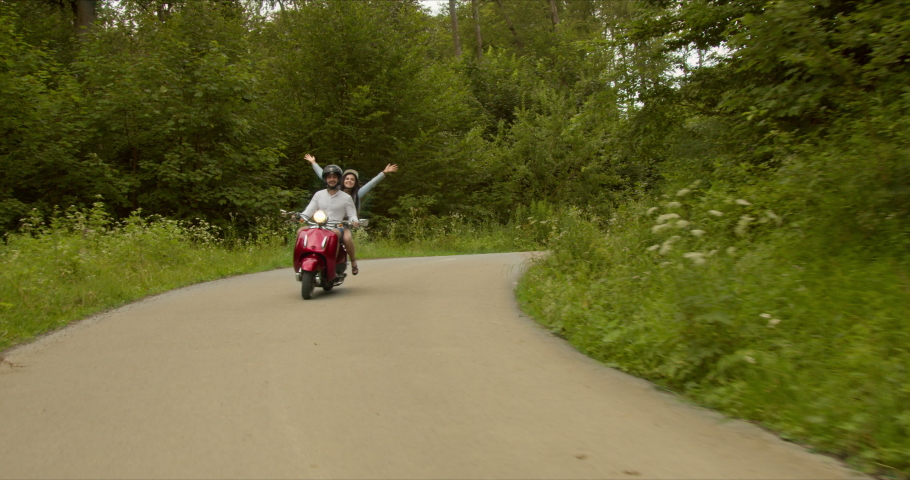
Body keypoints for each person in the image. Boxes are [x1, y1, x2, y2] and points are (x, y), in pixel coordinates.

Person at [300, 163, 361, 275]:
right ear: (325, 179)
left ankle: (332, 264)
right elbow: (308, 211)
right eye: (329, 177)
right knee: (301, 231)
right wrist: (299, 216)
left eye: (334, 177)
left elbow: (352, 214)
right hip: (319, 225)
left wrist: (354, 221)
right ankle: (301, 261)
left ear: (339, 179)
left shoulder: (346, 197)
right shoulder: (318, 195)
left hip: (337, 226)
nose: (332, 179)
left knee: (335, 233)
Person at [304, 153, 398, 215]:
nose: (349, 181)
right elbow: (323, 175)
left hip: (347, 223)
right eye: (347, 178)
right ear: (342, 180)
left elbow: (371, 183)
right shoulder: (336, 189)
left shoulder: (357, 193)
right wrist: (313, 162)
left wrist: (384, 172)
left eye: (352, 179)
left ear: (355, 182)